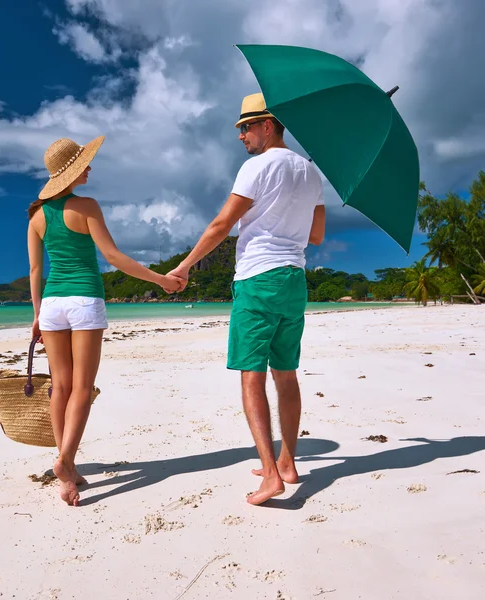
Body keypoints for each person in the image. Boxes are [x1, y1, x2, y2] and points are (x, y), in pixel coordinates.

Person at [168, 93, 326, 505]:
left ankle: (271, 475)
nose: (241, 136)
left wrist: (184, 266)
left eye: (245, 127)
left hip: (259, 278)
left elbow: (223, 223)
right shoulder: (312, 173)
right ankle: (288, 463)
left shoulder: (257, 166)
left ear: (267, 125)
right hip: (294, 279)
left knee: (251, 375)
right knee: (286, 374)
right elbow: (316, 235)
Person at [27, 136, 183, 506]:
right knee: (82, 388)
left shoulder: (36, 216)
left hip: (51, 306)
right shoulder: (87, 207)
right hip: (83, 301)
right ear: (73, 172)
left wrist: (35, 315)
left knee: (60, 388)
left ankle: (69, 469)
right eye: (84, 163)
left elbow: (35, 270)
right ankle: (64, 462)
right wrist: (160, 280)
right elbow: (112, 257)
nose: (90, 167)